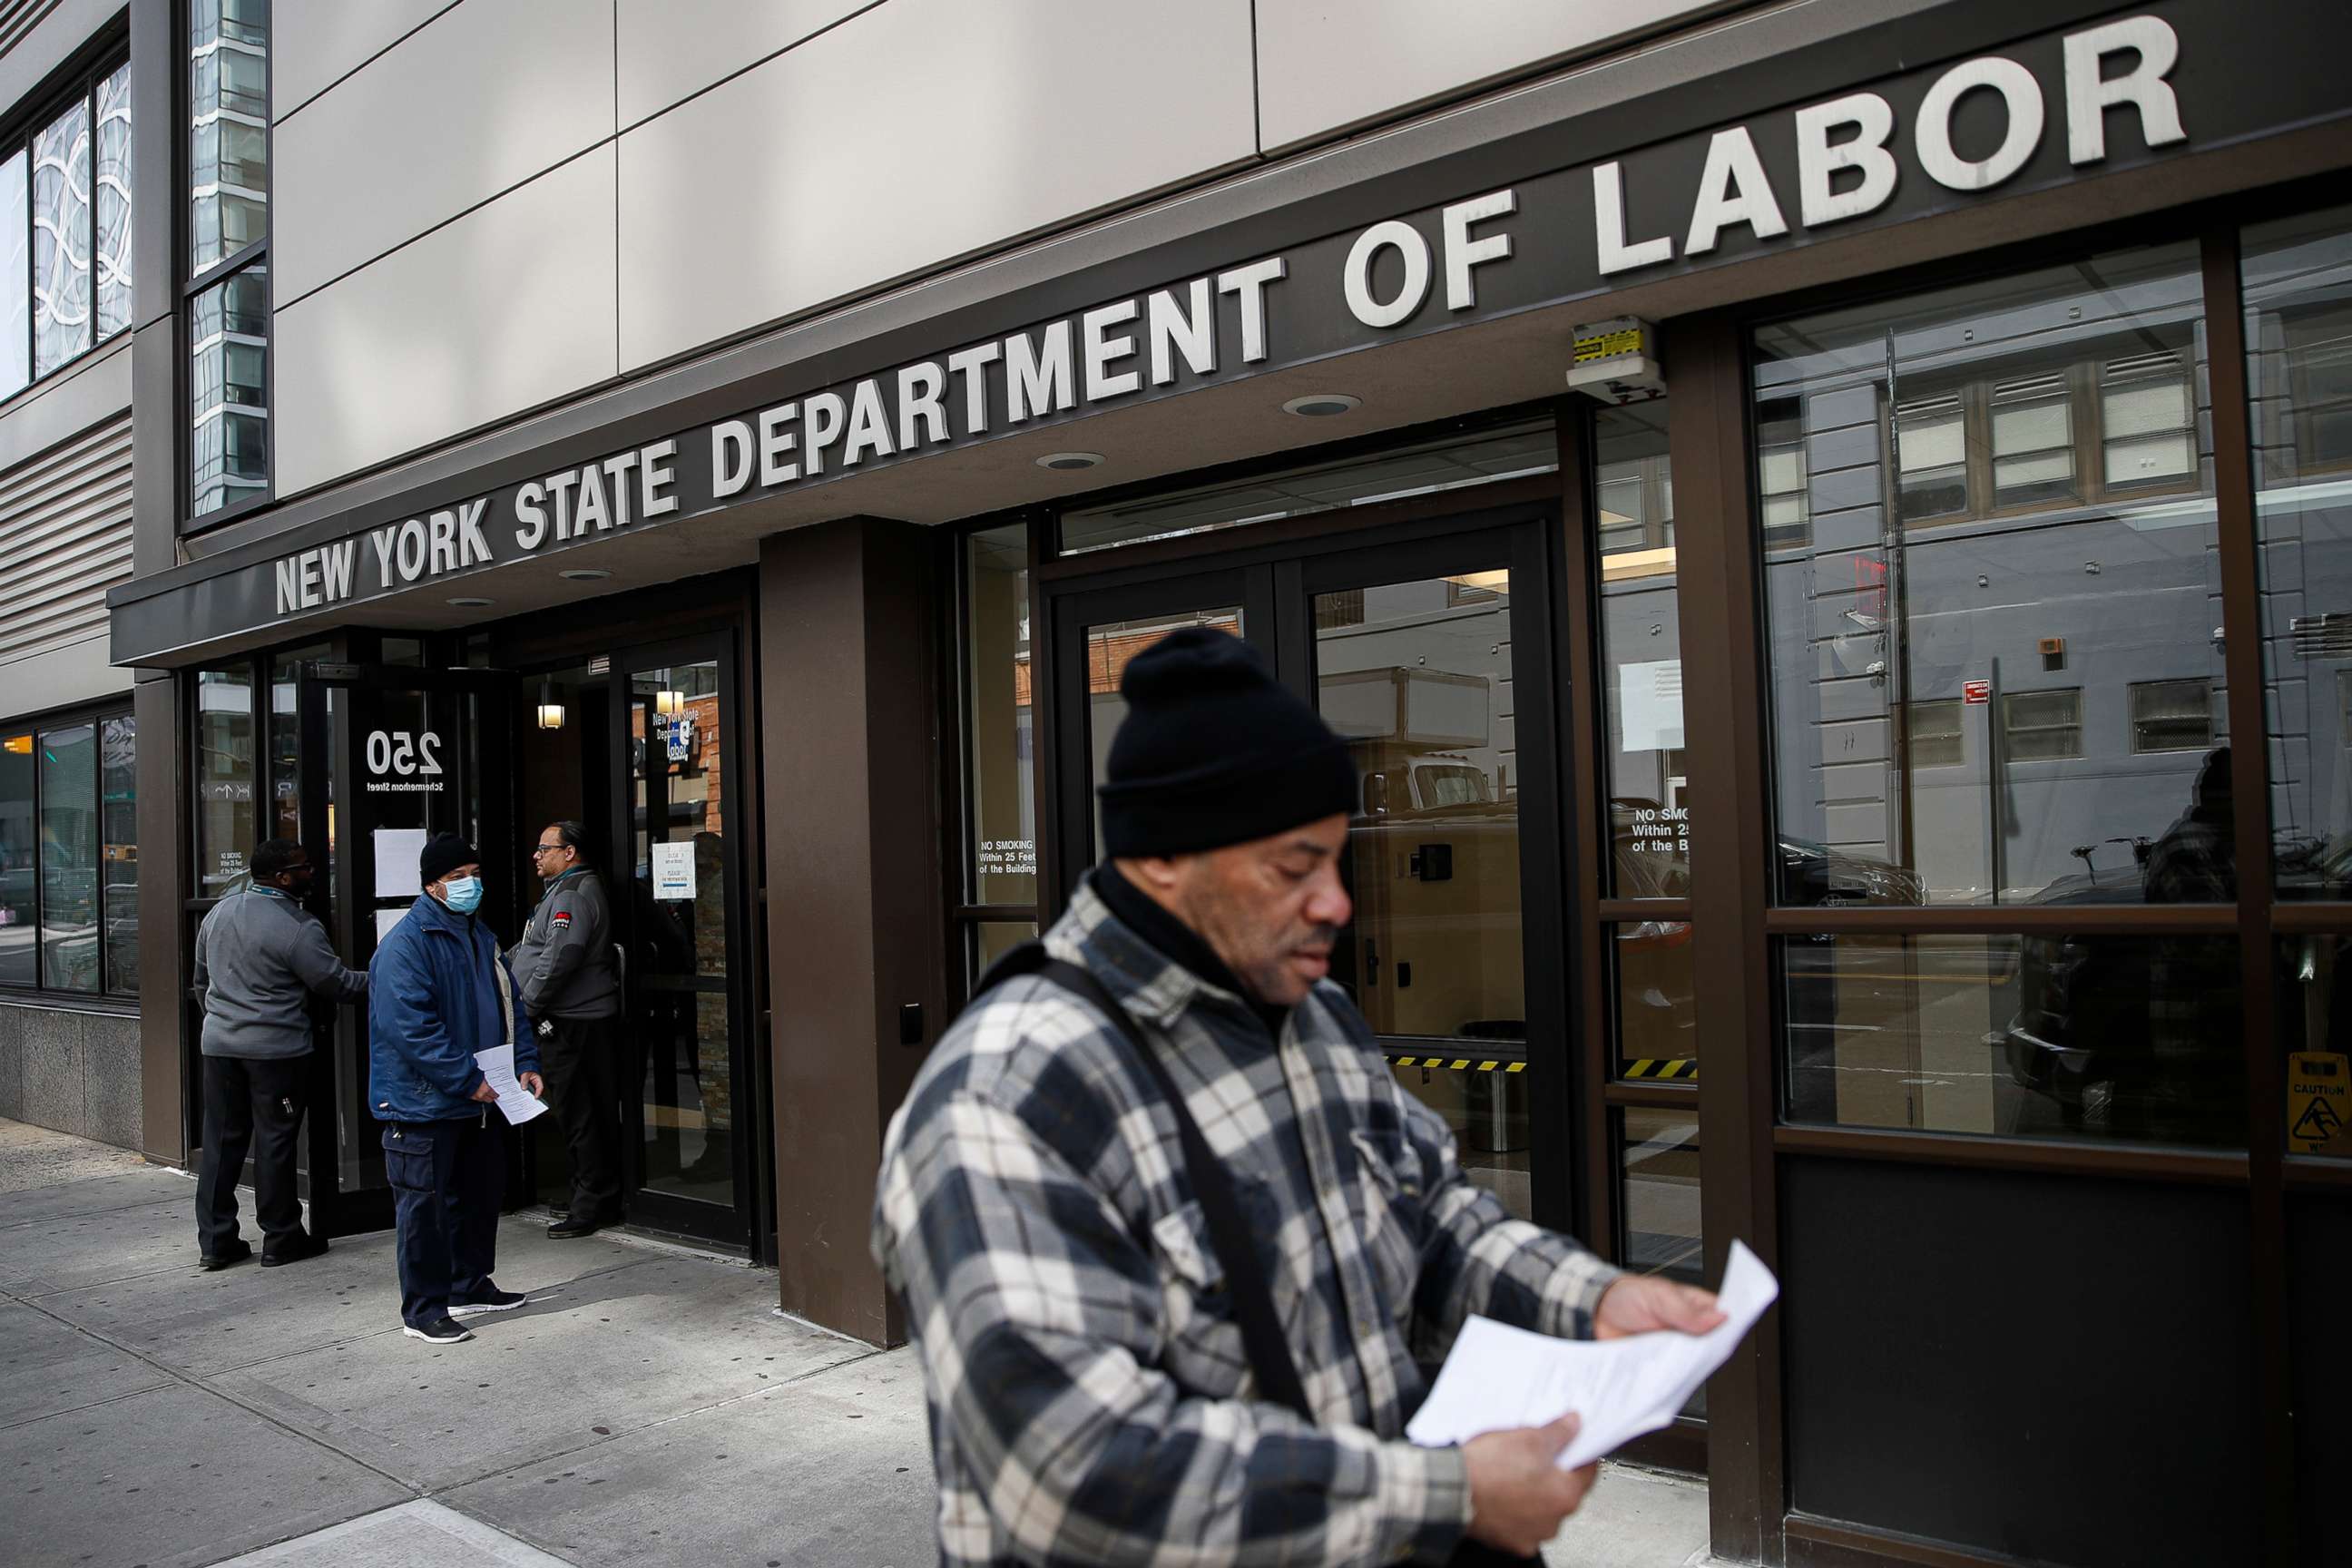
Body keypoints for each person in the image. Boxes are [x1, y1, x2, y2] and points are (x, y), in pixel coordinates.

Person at [871, 628, 1724, 1566]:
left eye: (1336, 860)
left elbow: (1430, 1222)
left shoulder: (1310, 1015)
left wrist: (1591, 1302)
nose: (1337, 903)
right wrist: (1448, 1496)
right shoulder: (1007, 1095)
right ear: (1163, 859)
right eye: (1293, 867)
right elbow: (1068, 1471)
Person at [368, 833, 544, 1345]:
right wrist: (469, 1081)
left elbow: (512, 1007)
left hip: (480, 1099)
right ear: (431, 885)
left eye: (474, 872)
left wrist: (525, 1063)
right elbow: (411, 1030)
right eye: (457, 877)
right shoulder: (407, 945)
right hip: (424, 1104)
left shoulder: (478, 936)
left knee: (479, 1196)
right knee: (424, 1209)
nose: (471, 884)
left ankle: (468, 1283)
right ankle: (423, 1310)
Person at [191, 838, 368, 1269]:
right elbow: (336, 983)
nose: (313, 872)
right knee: (275, 1142)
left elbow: (200, 980)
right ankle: (282, 1236)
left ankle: (216, 1242)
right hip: (276, 1054)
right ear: (283, 877)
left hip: (219, 1047)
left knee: (220, 1142)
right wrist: (392, 975)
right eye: (306, 867)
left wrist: (223, 1021)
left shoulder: (219, 912)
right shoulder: (297, 927)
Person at [510, 820, 624, 1238]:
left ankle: (592, 1204)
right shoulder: (561, 892)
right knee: (579, 1111)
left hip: (573, 1023)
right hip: (570, 1019)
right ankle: (590, 1195)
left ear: (569, 852)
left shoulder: (573, 895)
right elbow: (536, 949)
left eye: (545, 848)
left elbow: (560, 957)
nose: (537, 856)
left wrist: (527, 1004)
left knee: (581, 1114)